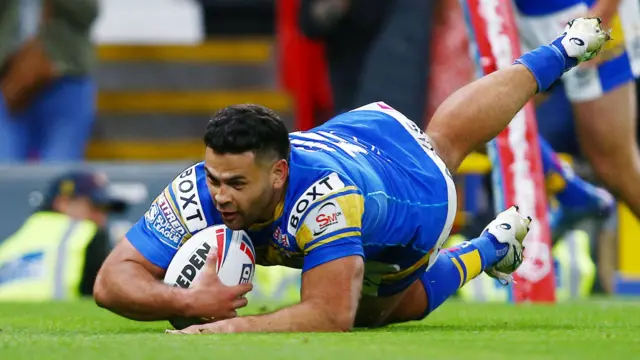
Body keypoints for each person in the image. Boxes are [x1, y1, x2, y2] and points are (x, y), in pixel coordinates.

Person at [93, 18, 609, 332]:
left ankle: (485, 250)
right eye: (213, 178)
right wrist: (187, 300)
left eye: (236, 184)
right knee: (444, 139)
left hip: (409, 194)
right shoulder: (202, 187)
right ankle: (562, 51)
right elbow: (111, 281)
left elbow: (329, 316)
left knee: (379, 313)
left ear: (277, 175)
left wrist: (224, 329)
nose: (219, 196)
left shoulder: (321, 201)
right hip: (357, 131)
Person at [513, 0, 640, 221]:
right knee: (485, 123)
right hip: (521, 17)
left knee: (614, 166)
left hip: (585, 13)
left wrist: (602, 14)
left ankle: (573, 196)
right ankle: (570, 192)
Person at [0, 170, 127, 300]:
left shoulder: (8, 247)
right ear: (64, 203)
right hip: (52, 315)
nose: (102, 217)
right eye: (96, 206)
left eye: (106, 210)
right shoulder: (87, 232)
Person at [0, 0, 99, 162]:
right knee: (5, 171)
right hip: (9, 77)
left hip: (66, 76)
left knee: (59, 170)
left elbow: (87, 11)